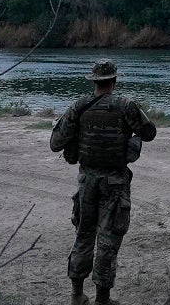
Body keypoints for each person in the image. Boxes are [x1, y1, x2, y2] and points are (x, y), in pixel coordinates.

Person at [50, 58, 157, 305]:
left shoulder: (79, 106)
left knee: (83, 235)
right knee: (108, 241)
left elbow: (56, 143)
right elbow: (149, 133)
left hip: (86, 181)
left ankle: (77, 295)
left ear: (94, 81)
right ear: (115, 80)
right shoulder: (126, 105)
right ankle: (102, 299)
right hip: (115, 182)